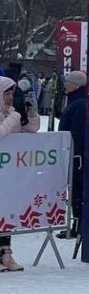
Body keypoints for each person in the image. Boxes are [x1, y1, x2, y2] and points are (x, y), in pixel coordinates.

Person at [55, 70, 88, 241]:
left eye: (67, 82)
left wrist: (74, 153)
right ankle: (78, 224)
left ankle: (78, 224)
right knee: (75, 191)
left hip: (76, 157)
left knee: (77, 191)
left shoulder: (80, 103)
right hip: (74, 155)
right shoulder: (77, 101)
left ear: (76, 85)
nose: (65, 85)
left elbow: (77, 133)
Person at [0, 77, 25, 271]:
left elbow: (30, 129)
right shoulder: (9, 115)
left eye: (11, 94)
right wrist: (14, 118)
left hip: (6, 173)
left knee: (6, 210)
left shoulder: (10, 112)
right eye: (7, 93)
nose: (10, 98)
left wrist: (29, 116)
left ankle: (5, 253)